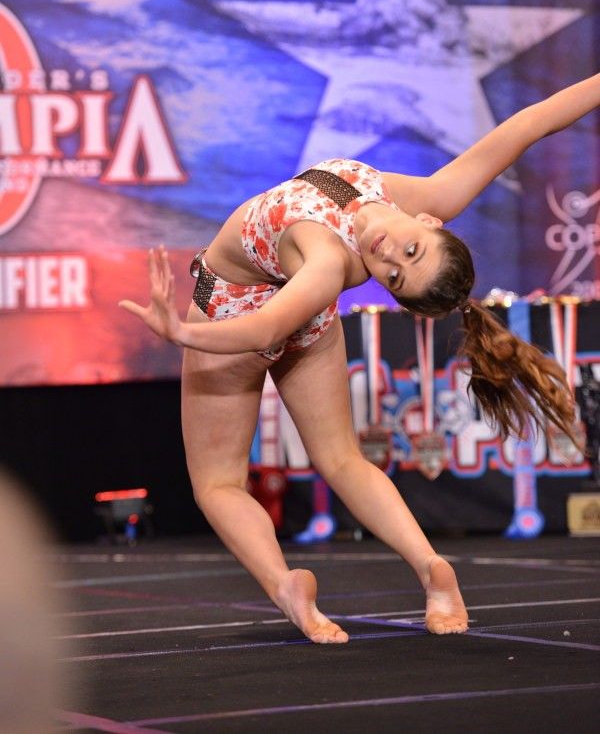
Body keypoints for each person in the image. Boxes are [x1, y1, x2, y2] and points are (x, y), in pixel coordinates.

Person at [120, 72, 599, 644]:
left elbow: (267, 326)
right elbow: (529, 125)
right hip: (303, 316)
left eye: (393, 277)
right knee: (343, 460)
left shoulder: (327, 259)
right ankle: (430, 570)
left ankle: (286, 585)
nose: (389, 256)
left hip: (238, 310)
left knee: (218, 484)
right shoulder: (427, 196)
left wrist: (182, 332)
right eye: (409, 253)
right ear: (429, 222)